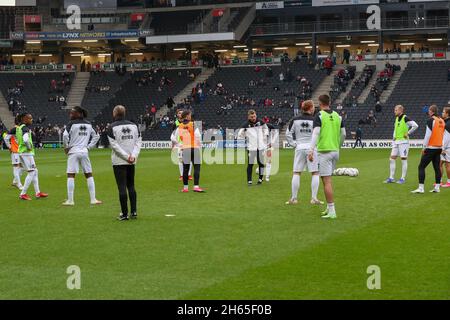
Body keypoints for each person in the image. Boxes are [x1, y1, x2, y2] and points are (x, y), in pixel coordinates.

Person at [308, 95, 346, 219]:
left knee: (326, 182)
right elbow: (344, 134)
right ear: (329, 102)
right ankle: (329, 208)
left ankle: (332, 211)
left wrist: (311, 150)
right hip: (335, 151)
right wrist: (338, 146)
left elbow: (316, 133)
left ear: (320, 103)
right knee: (327, 180)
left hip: (324, 152)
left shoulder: (319, 116)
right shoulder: (338, 116)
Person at [285, 100, 324, 205]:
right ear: (310, 108)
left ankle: (294, 198)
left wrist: (294, 144)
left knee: (297, 172)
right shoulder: (316, 120)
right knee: (315, 173)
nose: (314, 108)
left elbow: (288, 134)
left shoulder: (295, 119)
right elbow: (319, 135)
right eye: (313, 107)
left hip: (300, 147)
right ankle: (314, 198)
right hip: (312, 148)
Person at [107, 105, 142, 220]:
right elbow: (138, 142)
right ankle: (134, 212)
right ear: (124, 113)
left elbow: (115, 146)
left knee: (122, 187)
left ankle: (124, 214)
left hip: (119, 161)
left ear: (114, 114)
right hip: (132, 160)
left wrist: (126, 157)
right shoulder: (134, 126)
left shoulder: (111, 127)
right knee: (131, 186)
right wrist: (133, 156)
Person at [62, 106, 101, 206]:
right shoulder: (89, 124)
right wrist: (89, 147)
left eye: (72, 113)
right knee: (88, 174)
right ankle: (93, 199)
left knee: (71, 175)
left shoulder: (71, 124)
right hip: (84, 151)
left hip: (73, 151)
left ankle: (70, 201)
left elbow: (65, 135)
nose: (70, 115)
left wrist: (66, 147)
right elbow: (97, 135)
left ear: (79, 113)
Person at [412, 105, 446, 194]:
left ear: (432, 111)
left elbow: (427, 135)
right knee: (437, 168)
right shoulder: (442, 121)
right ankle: (437, 187)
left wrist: (424, 147)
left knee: (421, 167)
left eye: (429, 110)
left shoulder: (431, 120)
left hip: (431, 147)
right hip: (439, 147)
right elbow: (442, 135)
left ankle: (421, 188)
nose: (428, 112)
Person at [14, 113, 48, 200]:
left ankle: (38, 192)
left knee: (35, 171)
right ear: (25, 119)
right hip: (26, 153)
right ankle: (23, 194)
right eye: (30, 118)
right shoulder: (25, 128)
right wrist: (29, 147)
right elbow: (25, 139)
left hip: (21, 152)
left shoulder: (19, 128)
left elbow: (18, 140)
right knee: (32, 172)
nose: (31, 120)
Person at [385, 105, 419, 184]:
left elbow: (415, 125)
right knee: (391, 159)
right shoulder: (397, 118)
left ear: (400, 110)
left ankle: (402, 178)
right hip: (396, 141)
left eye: (396, 110)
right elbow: (395, 128)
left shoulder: (405, 118)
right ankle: (391, 178)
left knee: (403, 160)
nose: (394, 111)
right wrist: (394, 137)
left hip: (404, 142)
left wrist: (408, 133)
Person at [173, 110, 204, 193]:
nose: (191, 116)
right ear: (187, 116)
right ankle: (196, 186)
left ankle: (185, 188)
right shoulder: (193, 124)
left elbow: (174, 138)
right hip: (194, 148)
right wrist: (200, 145)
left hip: (185, 149)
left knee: (185, 170)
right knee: (196, 168)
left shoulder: (179, 126)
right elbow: (198, 136)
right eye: (190, 115)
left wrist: (180, 145)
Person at [238, 110, 269, 186]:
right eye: (252, 117)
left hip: (261, 147)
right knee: (250, 164)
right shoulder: (245, 125)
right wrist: (244, 137)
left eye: (254, 116)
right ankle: (249, 181)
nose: (254, 118)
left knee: (261, 163)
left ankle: (260, 179)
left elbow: (266, 129)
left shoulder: (261, 122)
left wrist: (265, 137)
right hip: (251, 148)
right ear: (248, 117)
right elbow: (239, 134)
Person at [3, 115, 24, 190]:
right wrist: (10, 147)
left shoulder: (20, 129)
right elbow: (6, 138)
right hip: (15, 151)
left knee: (23, 167)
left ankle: (15, 181)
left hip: (21, 150)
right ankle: (19, 184)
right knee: (16, 167)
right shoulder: (14, 129)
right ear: (19, 121)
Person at [171, 108, 192, 181]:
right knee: (180, 160)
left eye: (182, 113)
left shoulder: (188, 122)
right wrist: (173, 145)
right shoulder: (175, 123)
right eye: (179, 113)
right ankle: (181, 175)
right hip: (179, 144)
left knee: (189, 159)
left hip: (188, 143)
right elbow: (173, 135)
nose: (180, 114)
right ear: (177, 115)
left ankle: (188, 175)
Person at [440, 106, 450, 187]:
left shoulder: (448, 124)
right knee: (439, 163)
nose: (442, 113)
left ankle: (449, 182)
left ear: (447, 114)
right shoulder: (445, 121)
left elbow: (446, 137)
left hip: (447, 148)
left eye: (443, 112)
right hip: (445, 146)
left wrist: (443, 148)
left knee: (447, 164)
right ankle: (439, 181)